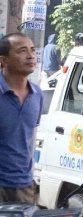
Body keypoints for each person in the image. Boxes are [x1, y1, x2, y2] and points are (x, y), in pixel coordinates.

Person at [0, 34, 43, 203]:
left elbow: (28, 138)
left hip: (24, 187)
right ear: (3, 60)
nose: (31, 55)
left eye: (32, 50)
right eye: (22, 51)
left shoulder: (37, 94)